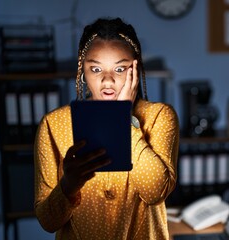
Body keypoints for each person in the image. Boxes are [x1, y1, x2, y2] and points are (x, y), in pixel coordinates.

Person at [34, 17, 179, 240]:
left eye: (120, 69)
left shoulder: (160, 116)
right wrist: (68, 186)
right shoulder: (54, 125)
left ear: (135, 70)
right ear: (83, 70)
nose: (108, 81)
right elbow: (47, 221)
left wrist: (124, 118)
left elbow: (154, 192)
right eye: (96, 69)